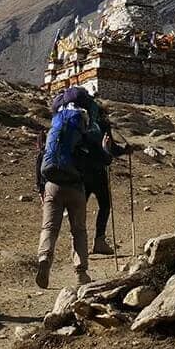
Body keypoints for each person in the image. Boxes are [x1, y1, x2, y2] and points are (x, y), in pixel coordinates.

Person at [35, 86, 108, 288]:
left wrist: (40, 188)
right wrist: (105, 149)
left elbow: (40, 158)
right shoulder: (86, 130)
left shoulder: (55, 126)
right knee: (78, 231)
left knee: (49, 228)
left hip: (52, 185)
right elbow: (103, 159)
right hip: (76, 186)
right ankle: (81, 272)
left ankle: (44, 258)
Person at [60, 93, 126, 255]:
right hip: (98, 171)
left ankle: (77, 246)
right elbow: (111, 148)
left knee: (79, 207)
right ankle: (99, 241)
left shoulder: (81, 122)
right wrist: (125, 150)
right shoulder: (102, 124)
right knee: (104, 205)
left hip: (81, 171)